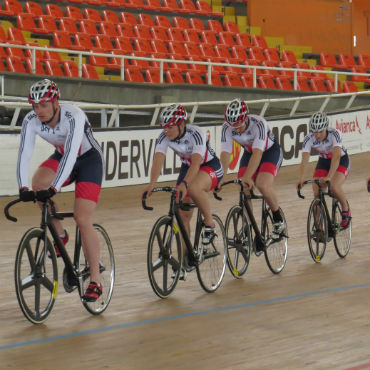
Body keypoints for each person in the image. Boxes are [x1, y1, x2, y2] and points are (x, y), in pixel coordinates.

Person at [17, 79, 105, 302]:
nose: (39, 111)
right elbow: (24, 153)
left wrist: (54, 187)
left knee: (82, 218)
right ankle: (61, 235)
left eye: (44, 105)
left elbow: (72, 153)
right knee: (38, 184)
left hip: (88, 160)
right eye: (35, 106)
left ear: (56, 103)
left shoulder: (73, 115)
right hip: (63, 156)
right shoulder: (31, 120)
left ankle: (95, 278)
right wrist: (22, 186)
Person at [143, 103, 223, 277]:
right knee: (182, 215)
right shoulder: (164, 137)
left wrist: (184, 185)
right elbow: (158, 159)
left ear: (181, 124)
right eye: (164, 127)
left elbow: (196, 163)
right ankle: (186, 259)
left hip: (209, 165)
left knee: (193, 188)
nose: (166, 131)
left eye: (170, 127)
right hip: (188, 169)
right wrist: (152, 183)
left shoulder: (196, 134)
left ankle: (209, 224)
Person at [219, 98, 285, 248]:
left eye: (239, 126)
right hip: (249, 153)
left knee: (262, 184)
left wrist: (248, 177)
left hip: (269, 152)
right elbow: (225, 154)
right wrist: (220, 177)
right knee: (244, 188)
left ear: (246, 118)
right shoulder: (226, 128)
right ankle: (249, 227)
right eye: (233, 126)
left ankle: (277, 217)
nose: (236, 130)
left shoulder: (259, 124)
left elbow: (258, 154)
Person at [296, 111, 351, 228]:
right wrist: (301, 178)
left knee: (334, 186)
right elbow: (304, 160)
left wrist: (329, 177)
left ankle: (345, 210)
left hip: (341, 160)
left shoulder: (335, 134)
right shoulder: (308, 138)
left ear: (326, 128)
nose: (317, 135)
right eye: (314, 131)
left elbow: (336, 157)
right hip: (324, 161)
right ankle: (319, 228)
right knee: (316, 191)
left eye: (320, 131)